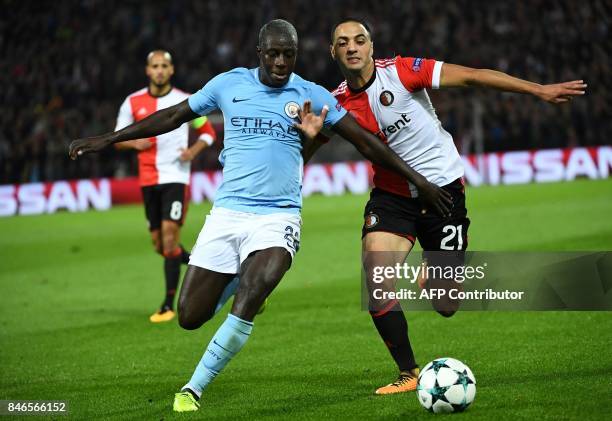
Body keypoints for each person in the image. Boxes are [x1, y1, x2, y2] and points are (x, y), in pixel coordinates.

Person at [69, 19, 453, 412]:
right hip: (228, 214)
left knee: (252, 297)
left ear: (297, 55)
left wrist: (417, 181)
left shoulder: (312, 95)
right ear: (260, 53)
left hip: (278, 217)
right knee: (189, 316)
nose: (281, 61)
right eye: (274, 53)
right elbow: (173, 116)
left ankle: (193, 388)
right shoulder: (228, 84)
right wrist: (111, 138)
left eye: (289, 54)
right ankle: (238, 281)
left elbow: (366, 142)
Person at [307, 18, 587, 395]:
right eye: (343, 42)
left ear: (372, 47)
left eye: (360, 40)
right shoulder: (336, 101)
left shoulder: (403, 71)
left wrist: (537, 90)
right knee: (376, 280)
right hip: (392, 198)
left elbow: (471, 76)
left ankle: (434, 271)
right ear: (333, 51)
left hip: (442, 191)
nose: (352, 47)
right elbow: (309, 148)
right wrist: (300, 144)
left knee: (446, 303)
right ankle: (408, 373)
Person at [114, 50, 217, 323]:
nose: (159, 70)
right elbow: (118, 137)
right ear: (148, 71)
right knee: (161, 246)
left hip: (175, 177)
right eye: (155, 66)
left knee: (170, 240)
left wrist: (193, 152)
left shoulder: (185, 102)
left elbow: (208, 132)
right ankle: (211, 266)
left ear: (171, 70)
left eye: (164, 66)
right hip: (148, 179)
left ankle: (168, 305)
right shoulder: (133, 102)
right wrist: (133, 142)